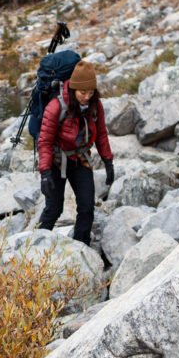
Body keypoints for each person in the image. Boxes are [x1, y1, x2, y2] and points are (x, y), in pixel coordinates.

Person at [35, 60, 114, 245]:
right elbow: (44, 142)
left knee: (87, 207)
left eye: (91, 92)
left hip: (80, 158)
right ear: (73, 89)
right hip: (56, 160)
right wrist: (45, 173)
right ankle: (34, 245)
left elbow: (102, 134)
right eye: (83, 92)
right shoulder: (56, 107)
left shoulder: (96, 106)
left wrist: (108, 161)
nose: (87, 96)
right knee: (54, 208)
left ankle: (81, 245)